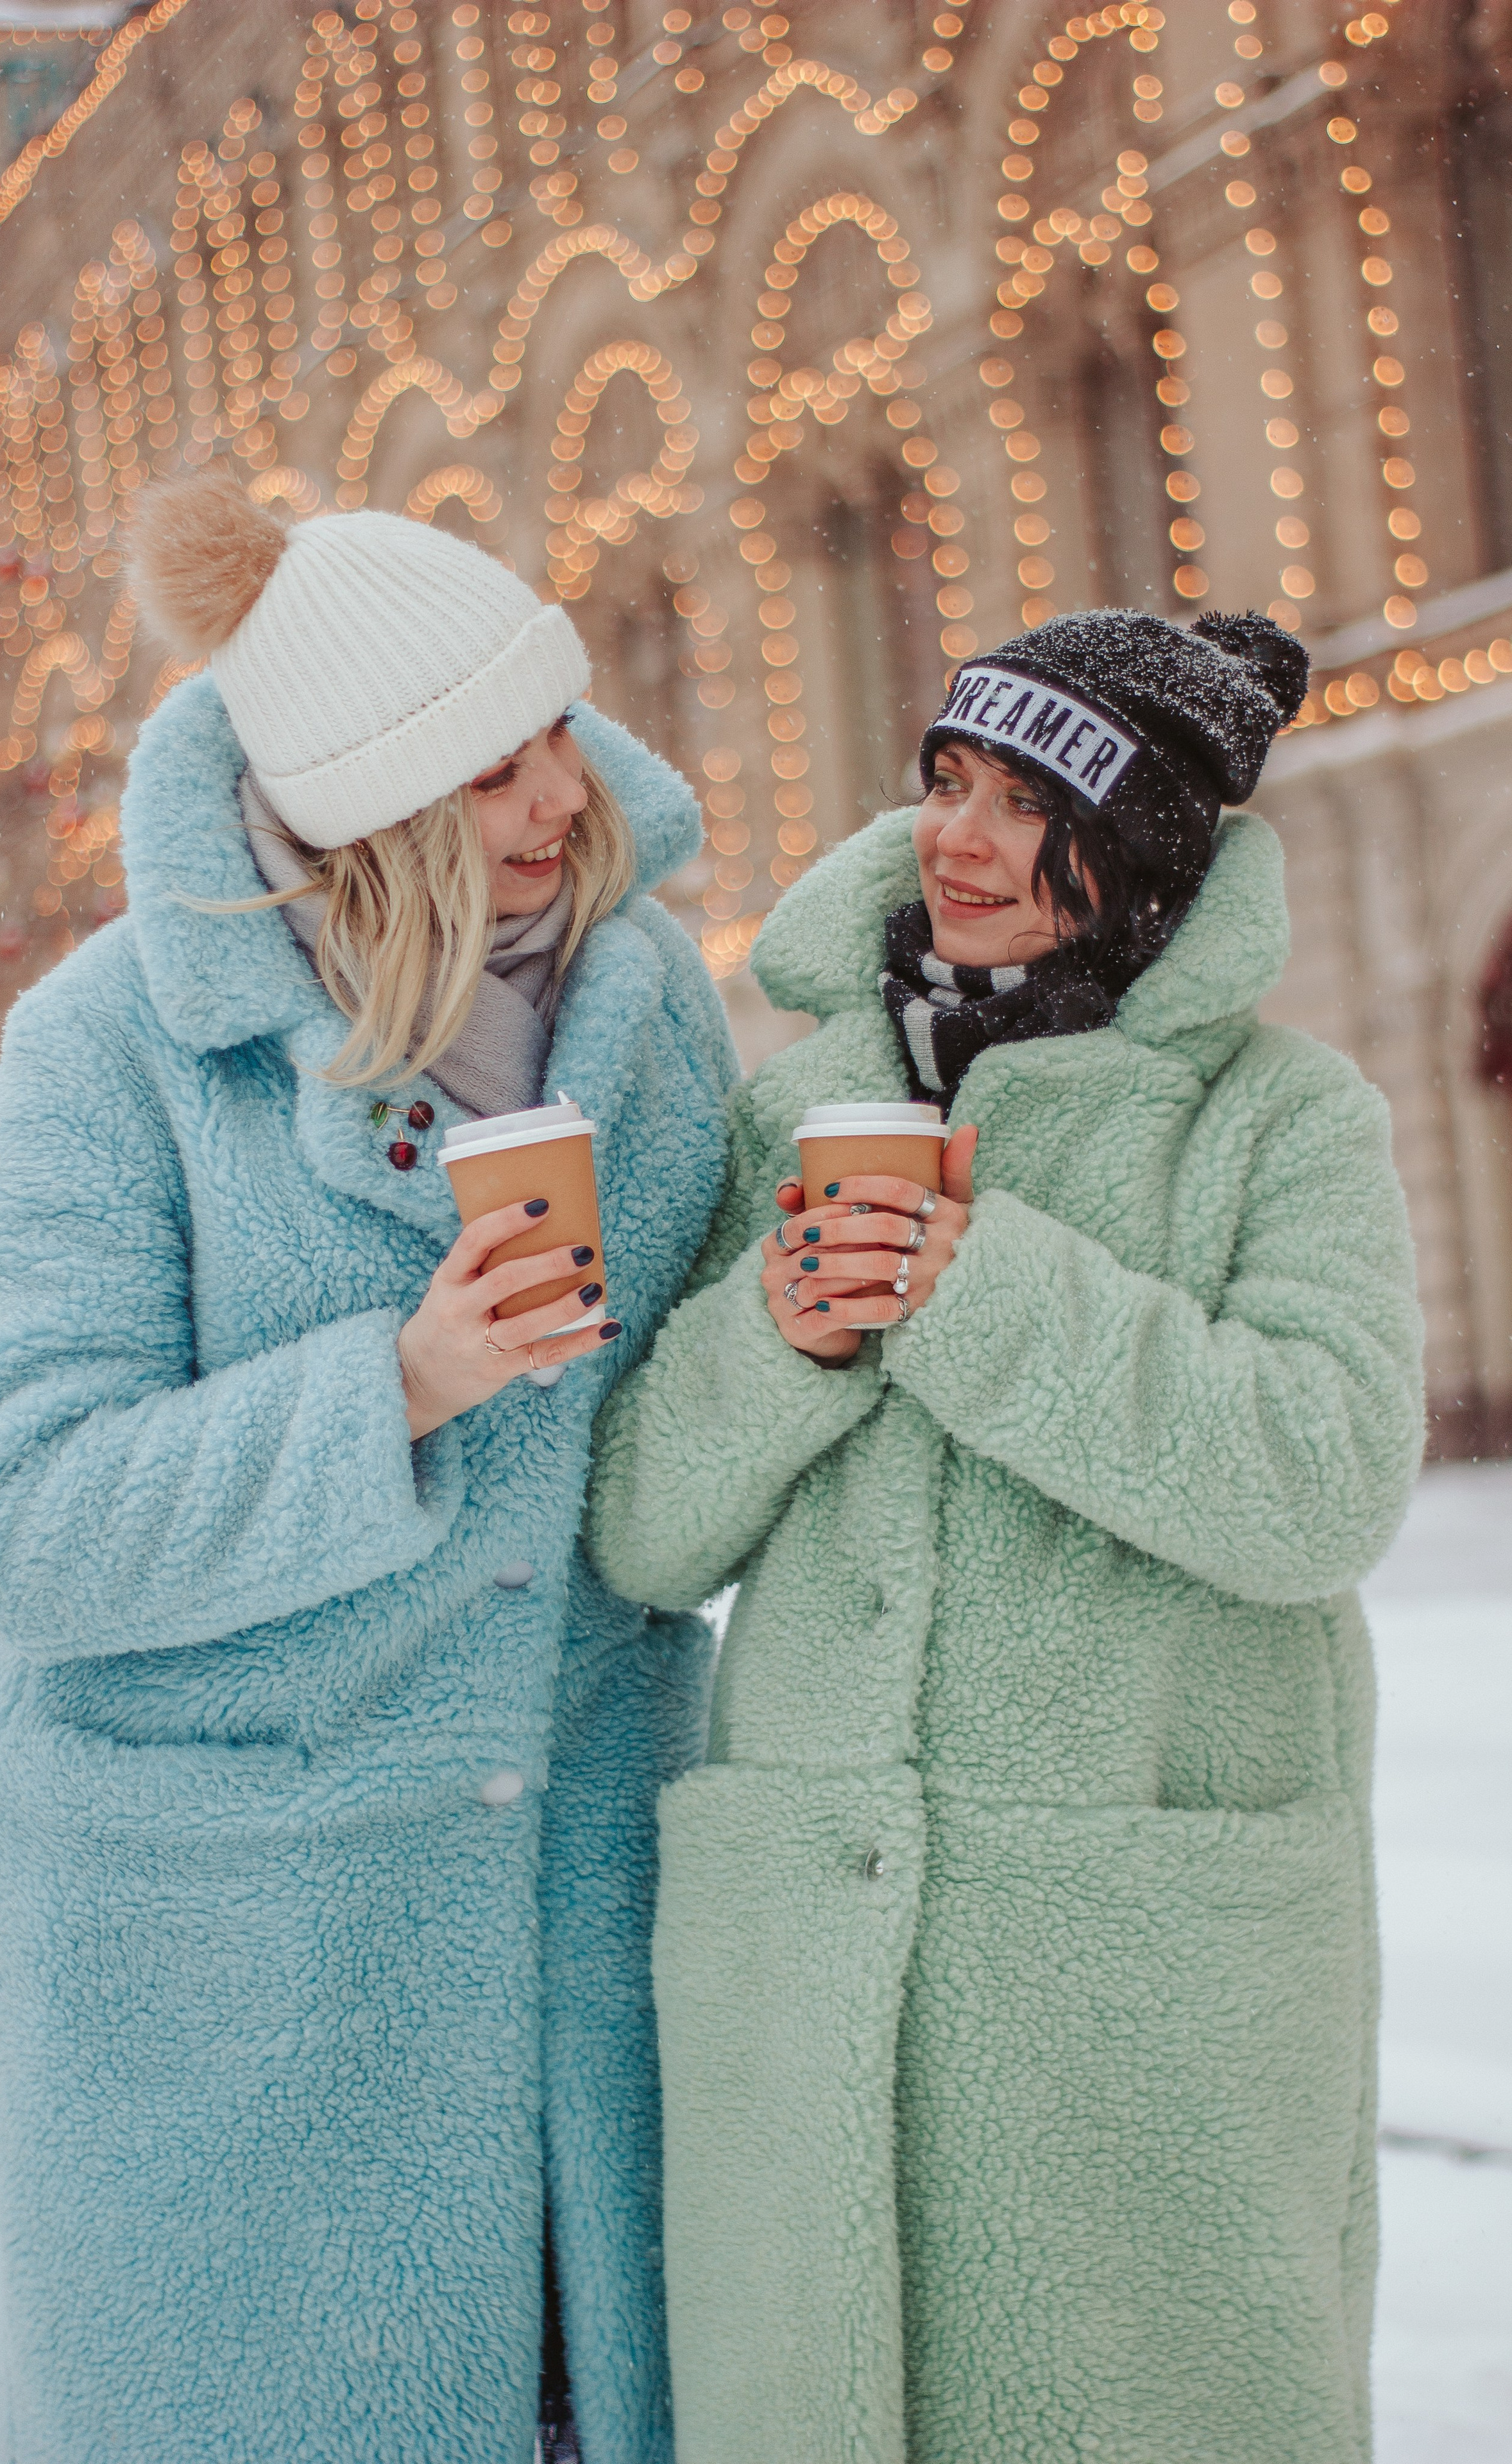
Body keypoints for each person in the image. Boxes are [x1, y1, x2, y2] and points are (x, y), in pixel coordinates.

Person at [0, 472, 736, 2464]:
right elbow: (20, 1520)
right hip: (239, 1975)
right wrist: (391, 1385)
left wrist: (789, 1335)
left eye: (556, 730)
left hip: (585, 1928)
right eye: (494, 771)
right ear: (368, 804)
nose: (561, 797)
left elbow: (667, 1477)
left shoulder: (649, 1019)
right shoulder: (116, 1048)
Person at [587, 610, 1425, 2464]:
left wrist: (982, 1294)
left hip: (1131, 1982)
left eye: (1026, 797)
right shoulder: (795, 1110)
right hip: (806, 1964)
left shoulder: (1278, 1124)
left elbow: (1324, 1476)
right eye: (947, 781)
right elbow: (644, 1531)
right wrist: (775, 1340)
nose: (954, 837)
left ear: (1141, 849)